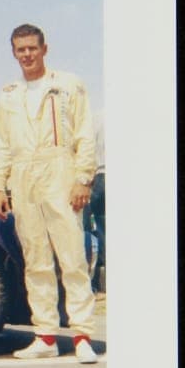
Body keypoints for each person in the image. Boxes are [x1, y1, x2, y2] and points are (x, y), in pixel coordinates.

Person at [0, 24, 98, 363]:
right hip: (24, 177)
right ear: (13, 52)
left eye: (32, 48)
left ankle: (82, 336)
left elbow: (85, 134)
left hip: (60, 172)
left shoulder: (67, 85)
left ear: (44, 49)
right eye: (20, 50)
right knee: (36, 259)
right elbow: (2, 143)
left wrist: (83, 179)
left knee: (71, 257)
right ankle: (46, 336)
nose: (27, 55)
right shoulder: (9, 94)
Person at [83, 108, 106, 294]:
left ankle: (98, 279)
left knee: (96, 227)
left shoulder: (97, 117)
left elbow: (87, 151)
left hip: (101, 175)